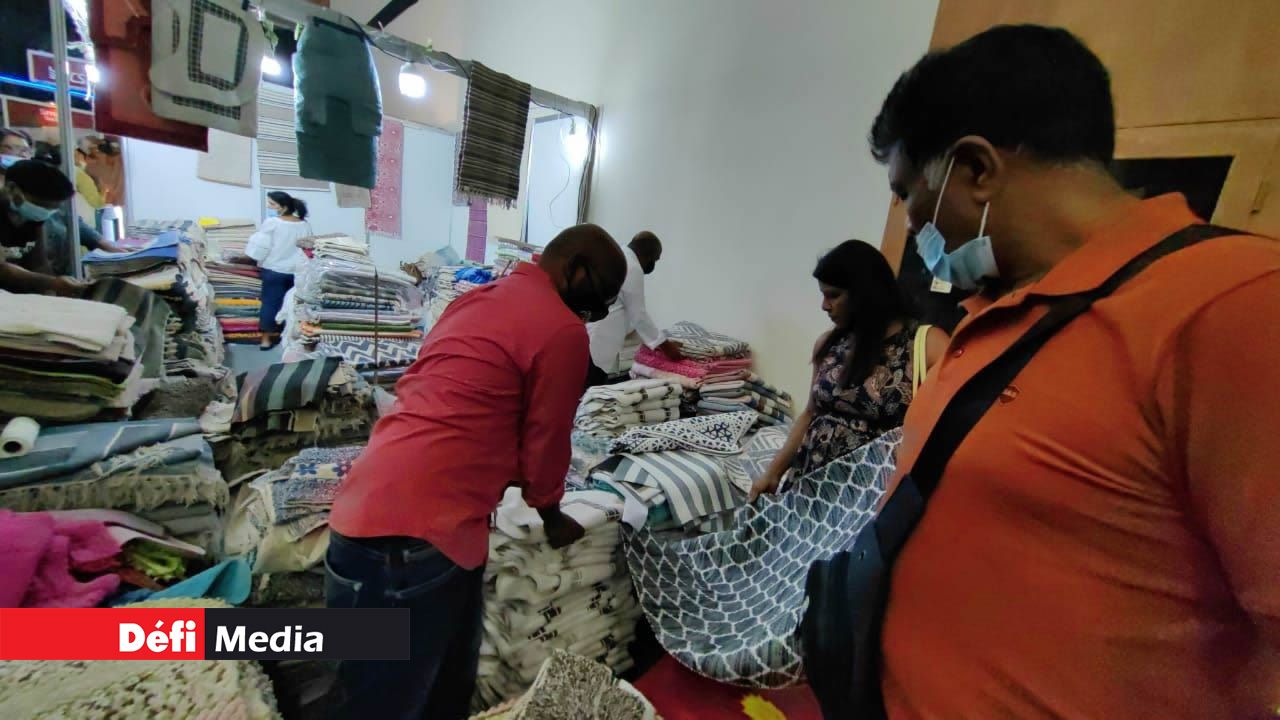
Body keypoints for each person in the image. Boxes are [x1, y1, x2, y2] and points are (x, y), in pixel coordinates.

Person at [867, 25, 1280, 718]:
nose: (915, 232)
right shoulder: (1003, 306)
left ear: (976, 169)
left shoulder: (1235, 308)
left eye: (910, 197)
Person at [325, 224, 628, 720]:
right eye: (600, 298)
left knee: (424, 689)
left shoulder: (477, 300)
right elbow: (547, 440)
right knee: (398, 703)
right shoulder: (562, 330)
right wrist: (552, 515)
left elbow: (451, 397)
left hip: (365, 516)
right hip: (416, 542)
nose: (596, 313)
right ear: (576, 270)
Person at [750, 240, 946, 499]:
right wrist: (773, 473)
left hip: (867, 500)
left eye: (834, 295)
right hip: (809, 487)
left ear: (865, 293)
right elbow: (810, 413)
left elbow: (940, 437)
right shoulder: (830, 344)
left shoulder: (927, 347)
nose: (824, 305)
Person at [585, 230, 683, 386]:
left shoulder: (619, 256)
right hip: (599, 340)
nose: (653, 265)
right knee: (590, 389)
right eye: (655, 260)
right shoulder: (632, 267)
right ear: (647, 254)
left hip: (592, 334)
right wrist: (666, 347)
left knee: (586, 386)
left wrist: (661, 342)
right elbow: (638, 315)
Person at [228, 191, 311, 349]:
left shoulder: (272, 223)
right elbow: (308, 249)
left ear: (283, 207)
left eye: (272, 204)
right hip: (297, 272)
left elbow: (260, 248)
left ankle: (265, 340)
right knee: (295, 305)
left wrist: (244, 258)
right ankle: (291, 340)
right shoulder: (304, 225)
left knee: (271, 304)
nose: (269, 206)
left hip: (274, 270)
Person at [0, 159, 84, 296]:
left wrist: (53, 296)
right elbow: (2, 269)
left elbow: (39, 263)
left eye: (51, 209)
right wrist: (51, 283)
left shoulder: (32, 218)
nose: (44, 213)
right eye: (40, 206)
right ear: (11, 188)